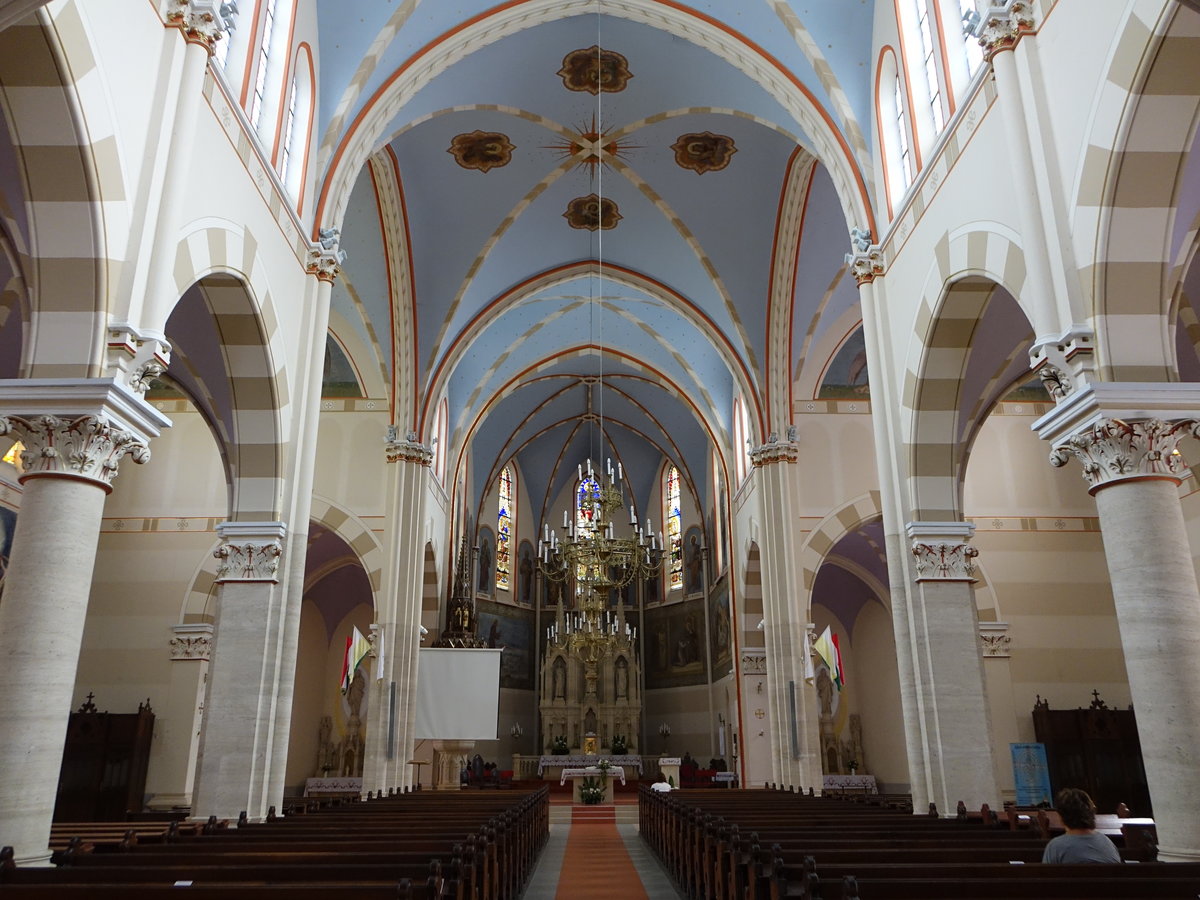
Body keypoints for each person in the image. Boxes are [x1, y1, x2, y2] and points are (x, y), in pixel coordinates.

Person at [1041, 788, 1122, 863]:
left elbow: (1046, 876)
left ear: (1061, 816)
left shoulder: (1055, 847)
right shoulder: (1106, 842)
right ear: (1091, 813)